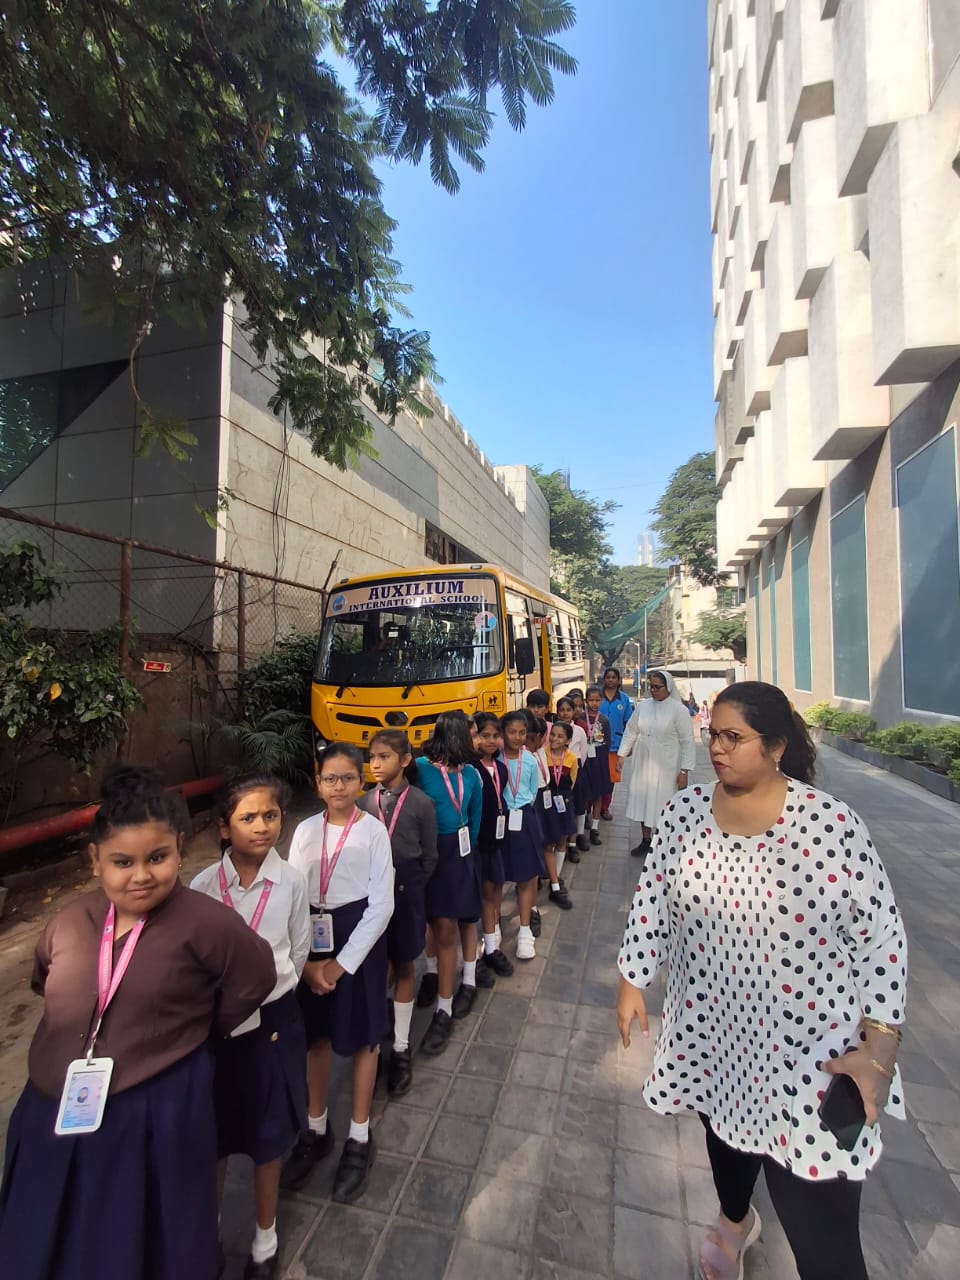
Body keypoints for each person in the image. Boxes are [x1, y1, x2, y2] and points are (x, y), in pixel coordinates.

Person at [616, 682, 907, 1280]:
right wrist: (632, 979)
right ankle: (734, 1219)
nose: (717, 748)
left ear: (776, 747)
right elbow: (652, 901)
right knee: (725, 1141)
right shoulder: (683, 814)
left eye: (734, 737)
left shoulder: (830, 825)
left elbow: (882, 939)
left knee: (826, 1239)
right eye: (714, 735)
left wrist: (878, 1052)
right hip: (714, 1039)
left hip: (815, 1060)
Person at [0, 765, 276, 1280]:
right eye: (122, 862)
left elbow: (254, 977)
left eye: (157, 857)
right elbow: (44, 983)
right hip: (53, 1116)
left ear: (179, 848)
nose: (141, 875)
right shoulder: (70, 922)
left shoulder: (207, 922)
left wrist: (193, 1031)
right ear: (95, 861)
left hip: (155, 1113)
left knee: (145, 1245)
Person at [191, 774, 311, 1280]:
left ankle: (265, 1239)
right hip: (215, 1028)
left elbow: (298, 950)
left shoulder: (292, 882)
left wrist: (269, 992)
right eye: (247, 818)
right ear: (224, 827)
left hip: (271, 1023)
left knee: (267, 1135)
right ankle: (209, 1234)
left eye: (270, 816)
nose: (261, 826)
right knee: (214, 1133)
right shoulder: (201, 888)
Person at [281, 744, 394, 1203]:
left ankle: (359, 1136)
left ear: (361, 781)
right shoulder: (305, 831)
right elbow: (292, 894)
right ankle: (316, 1128)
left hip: (358, 939)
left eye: (348, 778)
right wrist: (306, 963)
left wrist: (343, 963)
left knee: (365, 1037)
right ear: (318, 784)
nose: (339, 786)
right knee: (317, 1038)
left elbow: (382, 904)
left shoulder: (374, 831)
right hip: (313, 938)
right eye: (330, 778)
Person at [358, 730, 438, 1099]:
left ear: (405, 760)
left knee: (405, 964)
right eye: (372, 757)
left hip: (407, 888)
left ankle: (402, 1047)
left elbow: (429, 856)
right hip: (371, 891)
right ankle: (373, 1042)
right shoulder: (363, 802)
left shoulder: (421, 803)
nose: (375, 764)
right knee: (376, 965)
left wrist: (413, 886)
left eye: (384, 757)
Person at [414, 712, 483, 1054]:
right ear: (453, 737)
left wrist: (465, 849)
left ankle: (450, 1001)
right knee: (433, 919)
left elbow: (475, 818)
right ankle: (432, 974)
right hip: (429, 853)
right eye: (471, 734)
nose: (476, 740)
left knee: (457, 920)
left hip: (459, 852)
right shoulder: (420, 769)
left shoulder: (471, 774)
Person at [615, 668, 696, 859]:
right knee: (644, 801)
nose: (653, 690)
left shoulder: (679, 710)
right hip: (643, 762)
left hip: (667, 765)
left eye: (657, 687)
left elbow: (687, 741)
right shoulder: (643, 706)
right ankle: (646, 840)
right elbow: (632, 730)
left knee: (664, 804)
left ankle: (664, 842)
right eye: (651, 686)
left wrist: (684, 770)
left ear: (668, 688)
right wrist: (622, 754)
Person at [499, 710, 546, 960]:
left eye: (522, 732)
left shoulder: (530, 760)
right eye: (512, 732)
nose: (517, 737)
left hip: (524, 817)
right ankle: (493, 930)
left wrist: (521, 808)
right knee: (496, 877)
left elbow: (533, 792)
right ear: (502, 734)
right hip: (501, 820)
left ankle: (525, 931)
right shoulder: (496, 759)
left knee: (526, 876)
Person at [473, 712, 516, 981]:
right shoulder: (470, 769)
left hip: (496, 840)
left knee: (494, 890)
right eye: (484, 735)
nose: (490, 741)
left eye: (494, 736)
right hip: (476, 842)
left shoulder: (500, 768)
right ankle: (474, 955)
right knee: (477, 895)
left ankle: (491, 947)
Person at [538, 720, 577, 909]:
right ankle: (542, 875)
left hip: (564, 802)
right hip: (546, 802)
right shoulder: (542, 754)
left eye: (560, 736)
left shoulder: (572, 758)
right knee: (547, 842)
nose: (555, 739)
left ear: (568, 741)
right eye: (552, 734)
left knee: (561, 840)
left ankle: (556, 877)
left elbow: (572, 782)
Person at [556, 695, 591, 860]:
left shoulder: (579, 731)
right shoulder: (554, 730)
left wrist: (575, 768)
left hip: (575, 770)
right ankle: (559, 843)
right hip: (557, 771)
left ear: (574, 711)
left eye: (568, 710)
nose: (565, 713)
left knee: (577, 805)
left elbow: (583, 753)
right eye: (561, 710)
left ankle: (573, 843)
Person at [577, 685, 611, 847]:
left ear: (601, 701)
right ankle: (582, 827)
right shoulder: (580, 719)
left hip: (599, 762)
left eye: (597, 700)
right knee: (584, 795)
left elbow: (607, 743)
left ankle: (595, 828)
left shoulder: (604, 720)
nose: (594, 703)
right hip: (584, 762)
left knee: (598, 795)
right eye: (591, 700)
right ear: (586, 701)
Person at [599, 667, 634, 819]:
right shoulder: (597, 697)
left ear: (618, 680)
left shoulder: (624, 699)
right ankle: (591, 808)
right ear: (604, 679)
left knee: (611, 779)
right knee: (596, 777)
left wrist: (628, 746)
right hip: (596, 745)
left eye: (614, 677)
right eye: (608, 677)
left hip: (615, 746)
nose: (611, 680)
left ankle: (605, 808)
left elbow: (629, 724)